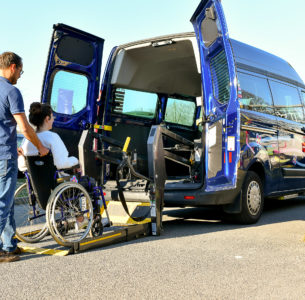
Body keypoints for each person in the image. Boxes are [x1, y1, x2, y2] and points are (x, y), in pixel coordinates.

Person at [0, 52, 49, 263]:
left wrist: (16, 146)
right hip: (4, 156)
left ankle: (9, 245)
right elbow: (24, 127)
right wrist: (40, 146)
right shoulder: (11, 91)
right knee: (3, 203)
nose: (20, 75)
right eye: (20, 70)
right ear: (12, 67)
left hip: (5, 150)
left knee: (8, 202)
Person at [18, 102, 79, 171]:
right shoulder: (53, 137)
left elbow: (22, 166)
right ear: (47, 118)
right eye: (52, 116)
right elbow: (61, 163)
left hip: (34, 180)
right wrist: (75, 160)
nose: (53, 119)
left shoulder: (26, 139)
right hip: (53, 180)